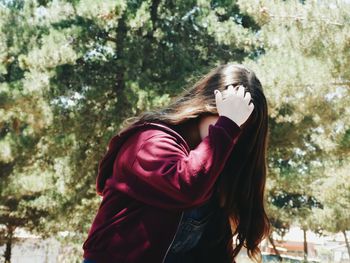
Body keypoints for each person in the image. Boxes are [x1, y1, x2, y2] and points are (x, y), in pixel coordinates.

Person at [82, 63, 270, 263]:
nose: (234, 135)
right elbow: (187, 186)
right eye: (228, 117)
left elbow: (213, 250)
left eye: (241, 129)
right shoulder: (149, 141)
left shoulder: (213, 163)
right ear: (205, 106)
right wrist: (227, 125)